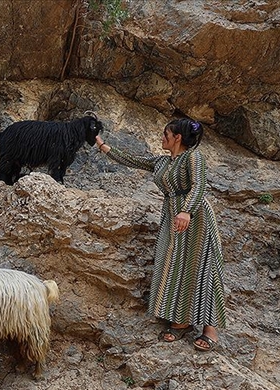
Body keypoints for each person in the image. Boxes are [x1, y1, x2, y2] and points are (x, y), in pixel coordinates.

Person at [95, 118, 226, 351]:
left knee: (203, 267)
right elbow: (134, 160)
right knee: (175, 266)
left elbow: (198, 186)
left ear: (177, 138)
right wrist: (103, 145)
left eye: (166, 134)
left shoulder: (193, 157)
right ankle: (181, 321)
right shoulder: (163, 162)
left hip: (195, 218)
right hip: (172, 217)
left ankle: (210, 329)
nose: (162, 138)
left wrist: (186, 210)